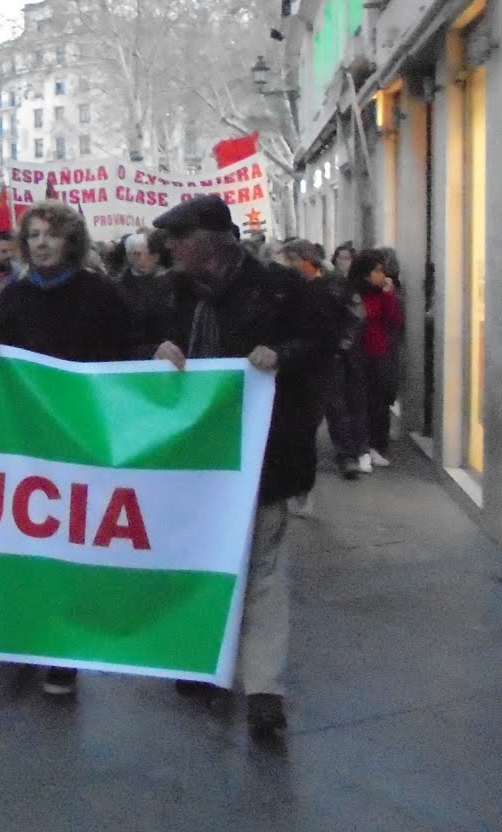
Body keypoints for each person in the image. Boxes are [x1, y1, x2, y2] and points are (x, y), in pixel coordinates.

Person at [150, 196, 337, 742]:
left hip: (265, 452)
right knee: (203, 564)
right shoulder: (175, 293)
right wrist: (156, 350)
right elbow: (133, 343)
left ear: (213, 240)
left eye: (181, 237)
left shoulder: (282, 288)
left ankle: (263, 690)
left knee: (263, 570)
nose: (174, 249)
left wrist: (281, 355)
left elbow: (322, 343)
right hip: (194, 454)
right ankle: (207, 662)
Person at [0, 202, 132, 698]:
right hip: (26, 439)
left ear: (73, 241)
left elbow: (126, 356)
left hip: (80, 440)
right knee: (27, 538)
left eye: (53, 234)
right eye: (35, 234)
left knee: (69, 543)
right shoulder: (13, 296)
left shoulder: (102, 294)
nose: (42, 242)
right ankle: (29, 632)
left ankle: (64, 649)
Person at [279, 239, 371, 486]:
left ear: (306, 259)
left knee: (337, 406)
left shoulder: (335, 284)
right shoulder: (287, 288)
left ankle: (347, 456)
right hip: (298, 359)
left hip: (331, 357)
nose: (289, 265)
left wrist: (343, 344)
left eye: (293, 260)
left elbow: (356, 315)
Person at [350, 250, 403, 467]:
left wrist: (389, 294)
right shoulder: (354, 293)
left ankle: (376, 445)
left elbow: (393, 320)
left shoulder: (383, 293)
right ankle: (360, 447)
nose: (383, 275)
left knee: (378, 402)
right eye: (378, 271)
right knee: (358, 401)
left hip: (379, 353)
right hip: (356, 353)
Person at [117, 228, 174, 351]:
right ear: (128, 256)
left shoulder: (171, 283)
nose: (143, 258)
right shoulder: (117, 288)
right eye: (137, 254)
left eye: (151, 254)